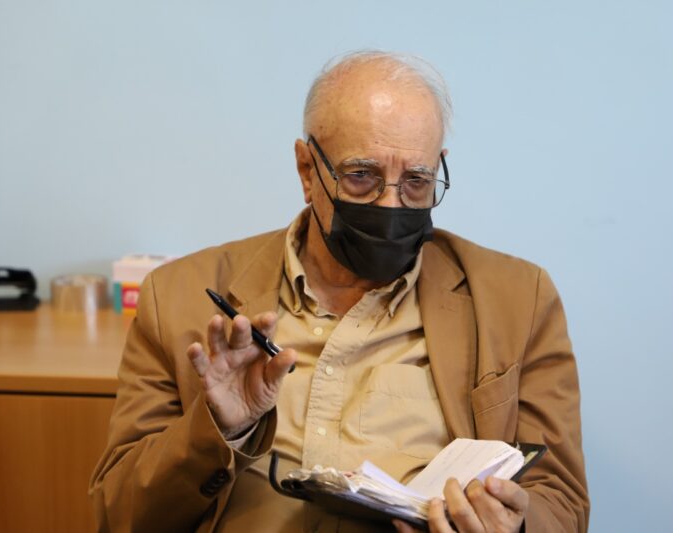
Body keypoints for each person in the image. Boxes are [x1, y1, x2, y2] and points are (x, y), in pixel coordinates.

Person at [89, 50, 589, 533]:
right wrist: (218, 428)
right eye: (362, 176)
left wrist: (512, 525)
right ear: (308, 169)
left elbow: (562, 503)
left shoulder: (517, 301)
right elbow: (119, 516)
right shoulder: (175, 299)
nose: (391, 204)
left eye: (416, 181)